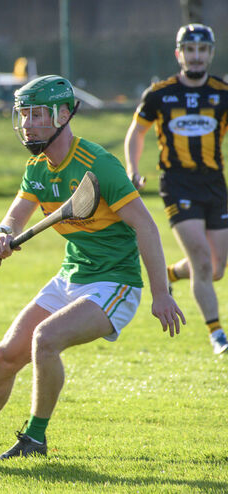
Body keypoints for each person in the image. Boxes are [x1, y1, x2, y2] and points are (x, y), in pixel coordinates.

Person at [0, 75, 184, 460]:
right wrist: (5, 236)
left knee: (45, 339)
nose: (28, 123)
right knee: (5, 354)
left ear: (63, 115)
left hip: (114, 283)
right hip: (71, 275)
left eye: (37, 115)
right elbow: (14, 218)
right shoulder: (37, 168)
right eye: (24, 115)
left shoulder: (98, 165)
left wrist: (161, 295)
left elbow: (146, 226)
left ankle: (34, 440)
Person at [125, 23, 228, 355]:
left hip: (214, 184)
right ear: (179, 53)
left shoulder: (222, 93)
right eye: (190, 50)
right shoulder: (160, 93)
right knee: (200, 259)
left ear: (211, 53)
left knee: (215, 268)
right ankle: (217, 334)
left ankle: (170, 272)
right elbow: (136, 133)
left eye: (202, 50)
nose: (196, 57)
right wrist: (133, 169)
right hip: (177, 185)